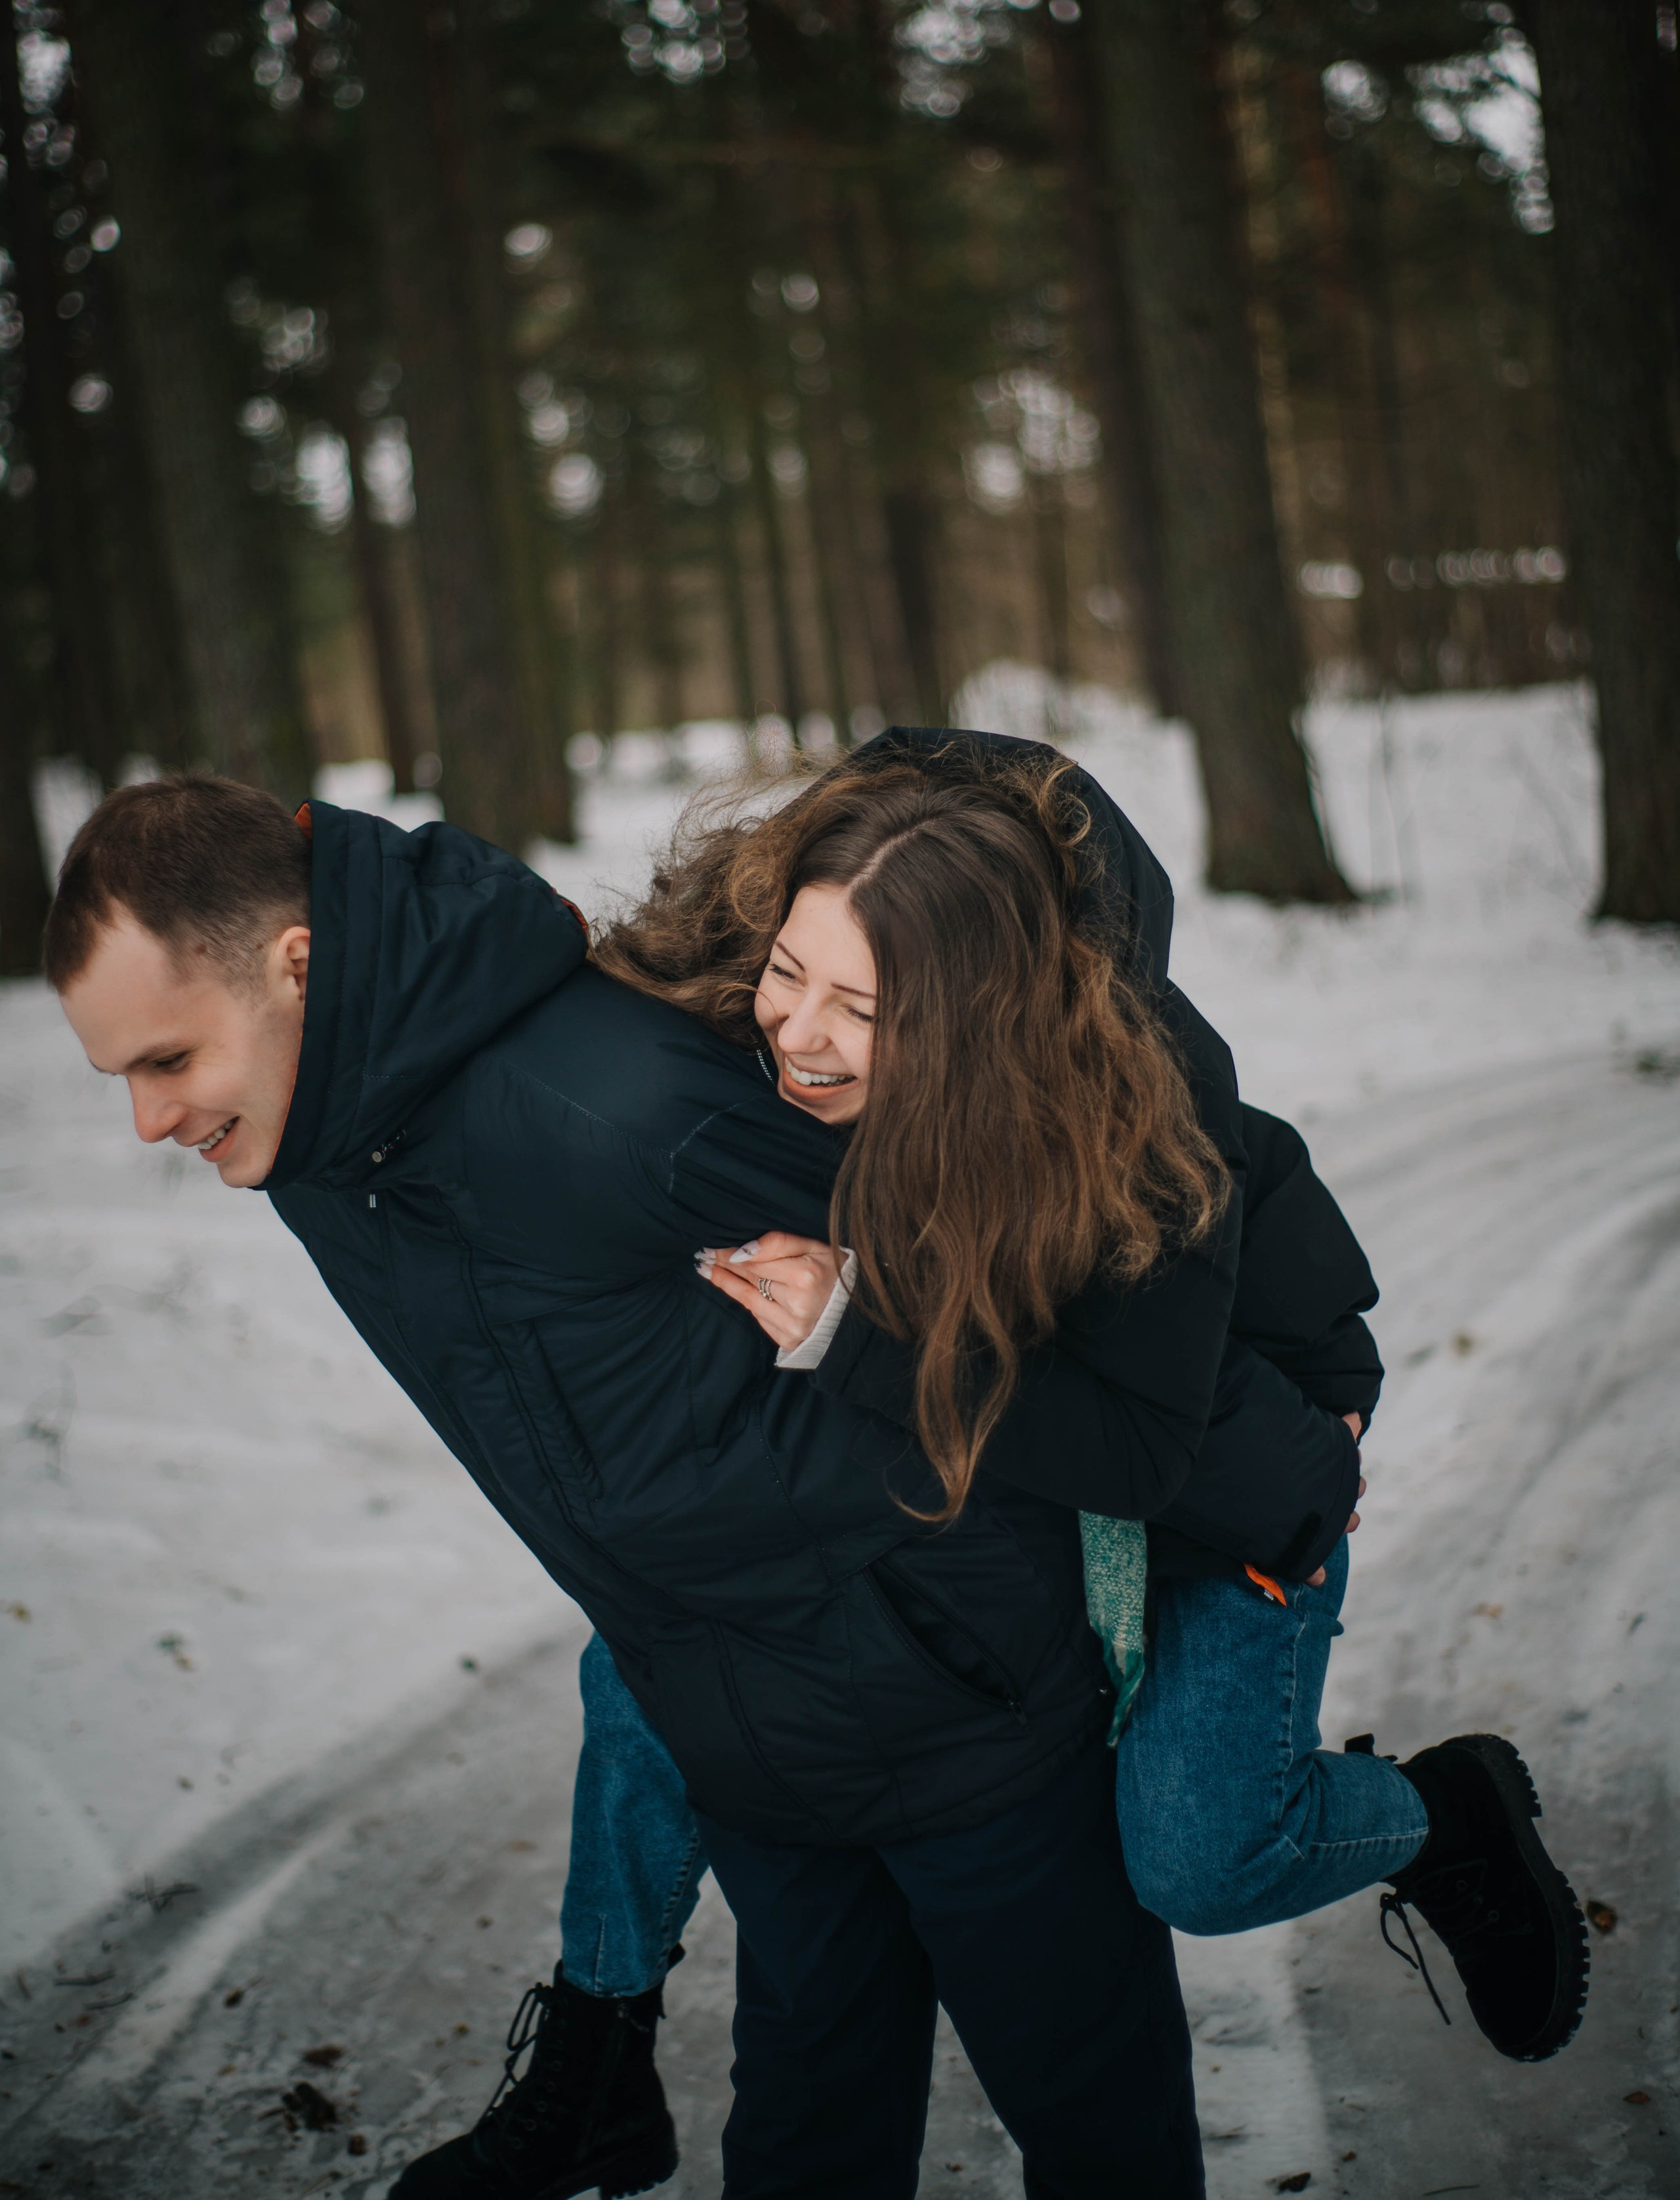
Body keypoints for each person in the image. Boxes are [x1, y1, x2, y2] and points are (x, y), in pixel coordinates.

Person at [376, 729, 1588, 2200]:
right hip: (1019, 1432)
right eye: (787, 976)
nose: (798, 1035)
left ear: (970, 1018)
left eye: (859, 1009)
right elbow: (571, 997)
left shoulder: (1136, 1116)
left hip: (1233, 1466)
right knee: (655, 1649)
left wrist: (861, 1334)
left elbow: (1136, 1452)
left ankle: (1439, 1819)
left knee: (1197, 1855)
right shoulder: (777, 973)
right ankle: (595, 2048)